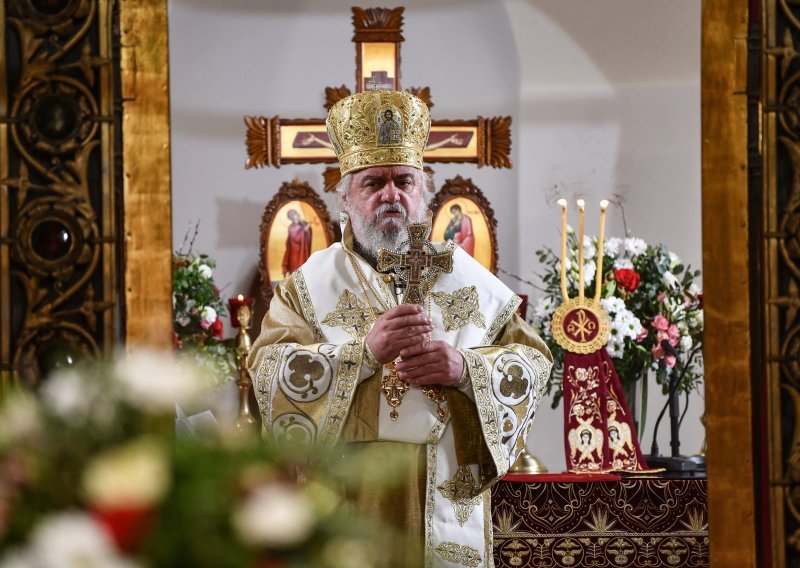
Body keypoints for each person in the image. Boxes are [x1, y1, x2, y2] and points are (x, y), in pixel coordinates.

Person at [248, 89, 552, 568]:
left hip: (445, 492)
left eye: (404, 181)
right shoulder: (306, 288)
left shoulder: (469, 278)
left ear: (423, 194)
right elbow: (267, 371)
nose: (391, 194)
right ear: (346, 198)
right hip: (349, 495)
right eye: (373, 183)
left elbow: (532, 362)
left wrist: (466, 369)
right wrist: (363, 354)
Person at [281, 208, 312, 277]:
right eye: (296, 214)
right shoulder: (291, 227)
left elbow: (308, 233)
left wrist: (307, 229)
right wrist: (304, 231)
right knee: (295, 269)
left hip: (303, 251)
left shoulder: (302, 223)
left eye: (297, 213)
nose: (298, 215)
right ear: (292, 217)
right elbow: (296, 238)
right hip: (295, 252)